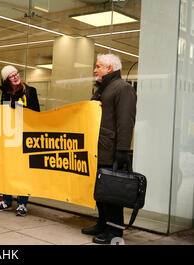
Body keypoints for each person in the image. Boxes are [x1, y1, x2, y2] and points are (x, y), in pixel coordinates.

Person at [81, 53, 137, 244]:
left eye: (98, 66)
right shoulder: (104, 89)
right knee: (101, 191)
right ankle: (102, 223)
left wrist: (122, 150)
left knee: (112, 193)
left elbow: (126, 122)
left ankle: (114, 232)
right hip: (98, 148)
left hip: (110, 149)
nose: (95, 70)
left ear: (109, 69)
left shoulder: (123, 89)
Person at [0, 65, 40, 217]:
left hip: (24, 136)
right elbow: (3, 114)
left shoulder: (30, 91)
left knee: (22, 171)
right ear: (7, 80)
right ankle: (7, 201)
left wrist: (19, 108)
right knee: (8, 168)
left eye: (16, 74)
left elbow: (36, 113)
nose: (15, 77)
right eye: (11, 76)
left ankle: (22, 203)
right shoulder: (6, 94)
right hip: (9, 137)